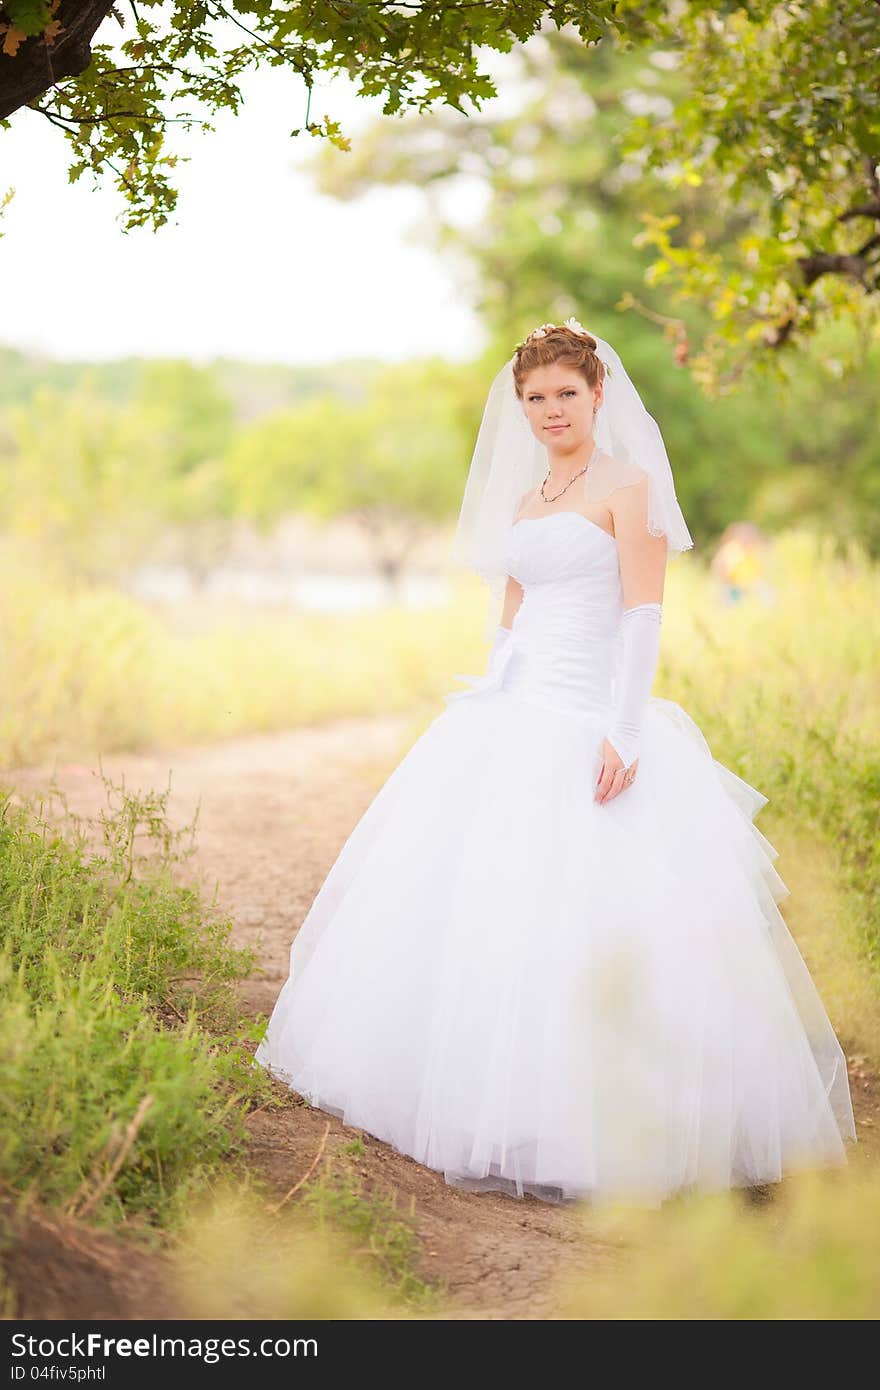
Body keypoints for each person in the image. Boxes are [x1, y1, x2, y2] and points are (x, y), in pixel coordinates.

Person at [254, 319, 855, 1206]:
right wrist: (490, 684)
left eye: (564, 394)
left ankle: (607, 1125)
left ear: (597, 393)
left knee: (592, 909)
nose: (548, 411)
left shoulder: (629, 488)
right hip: (510, 712)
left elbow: (643, 616)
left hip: (588, 714)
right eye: (533, 398)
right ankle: (470, 1094)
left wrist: (627, 731)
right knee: (482, 902)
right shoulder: (529, 495)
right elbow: (514, 598)